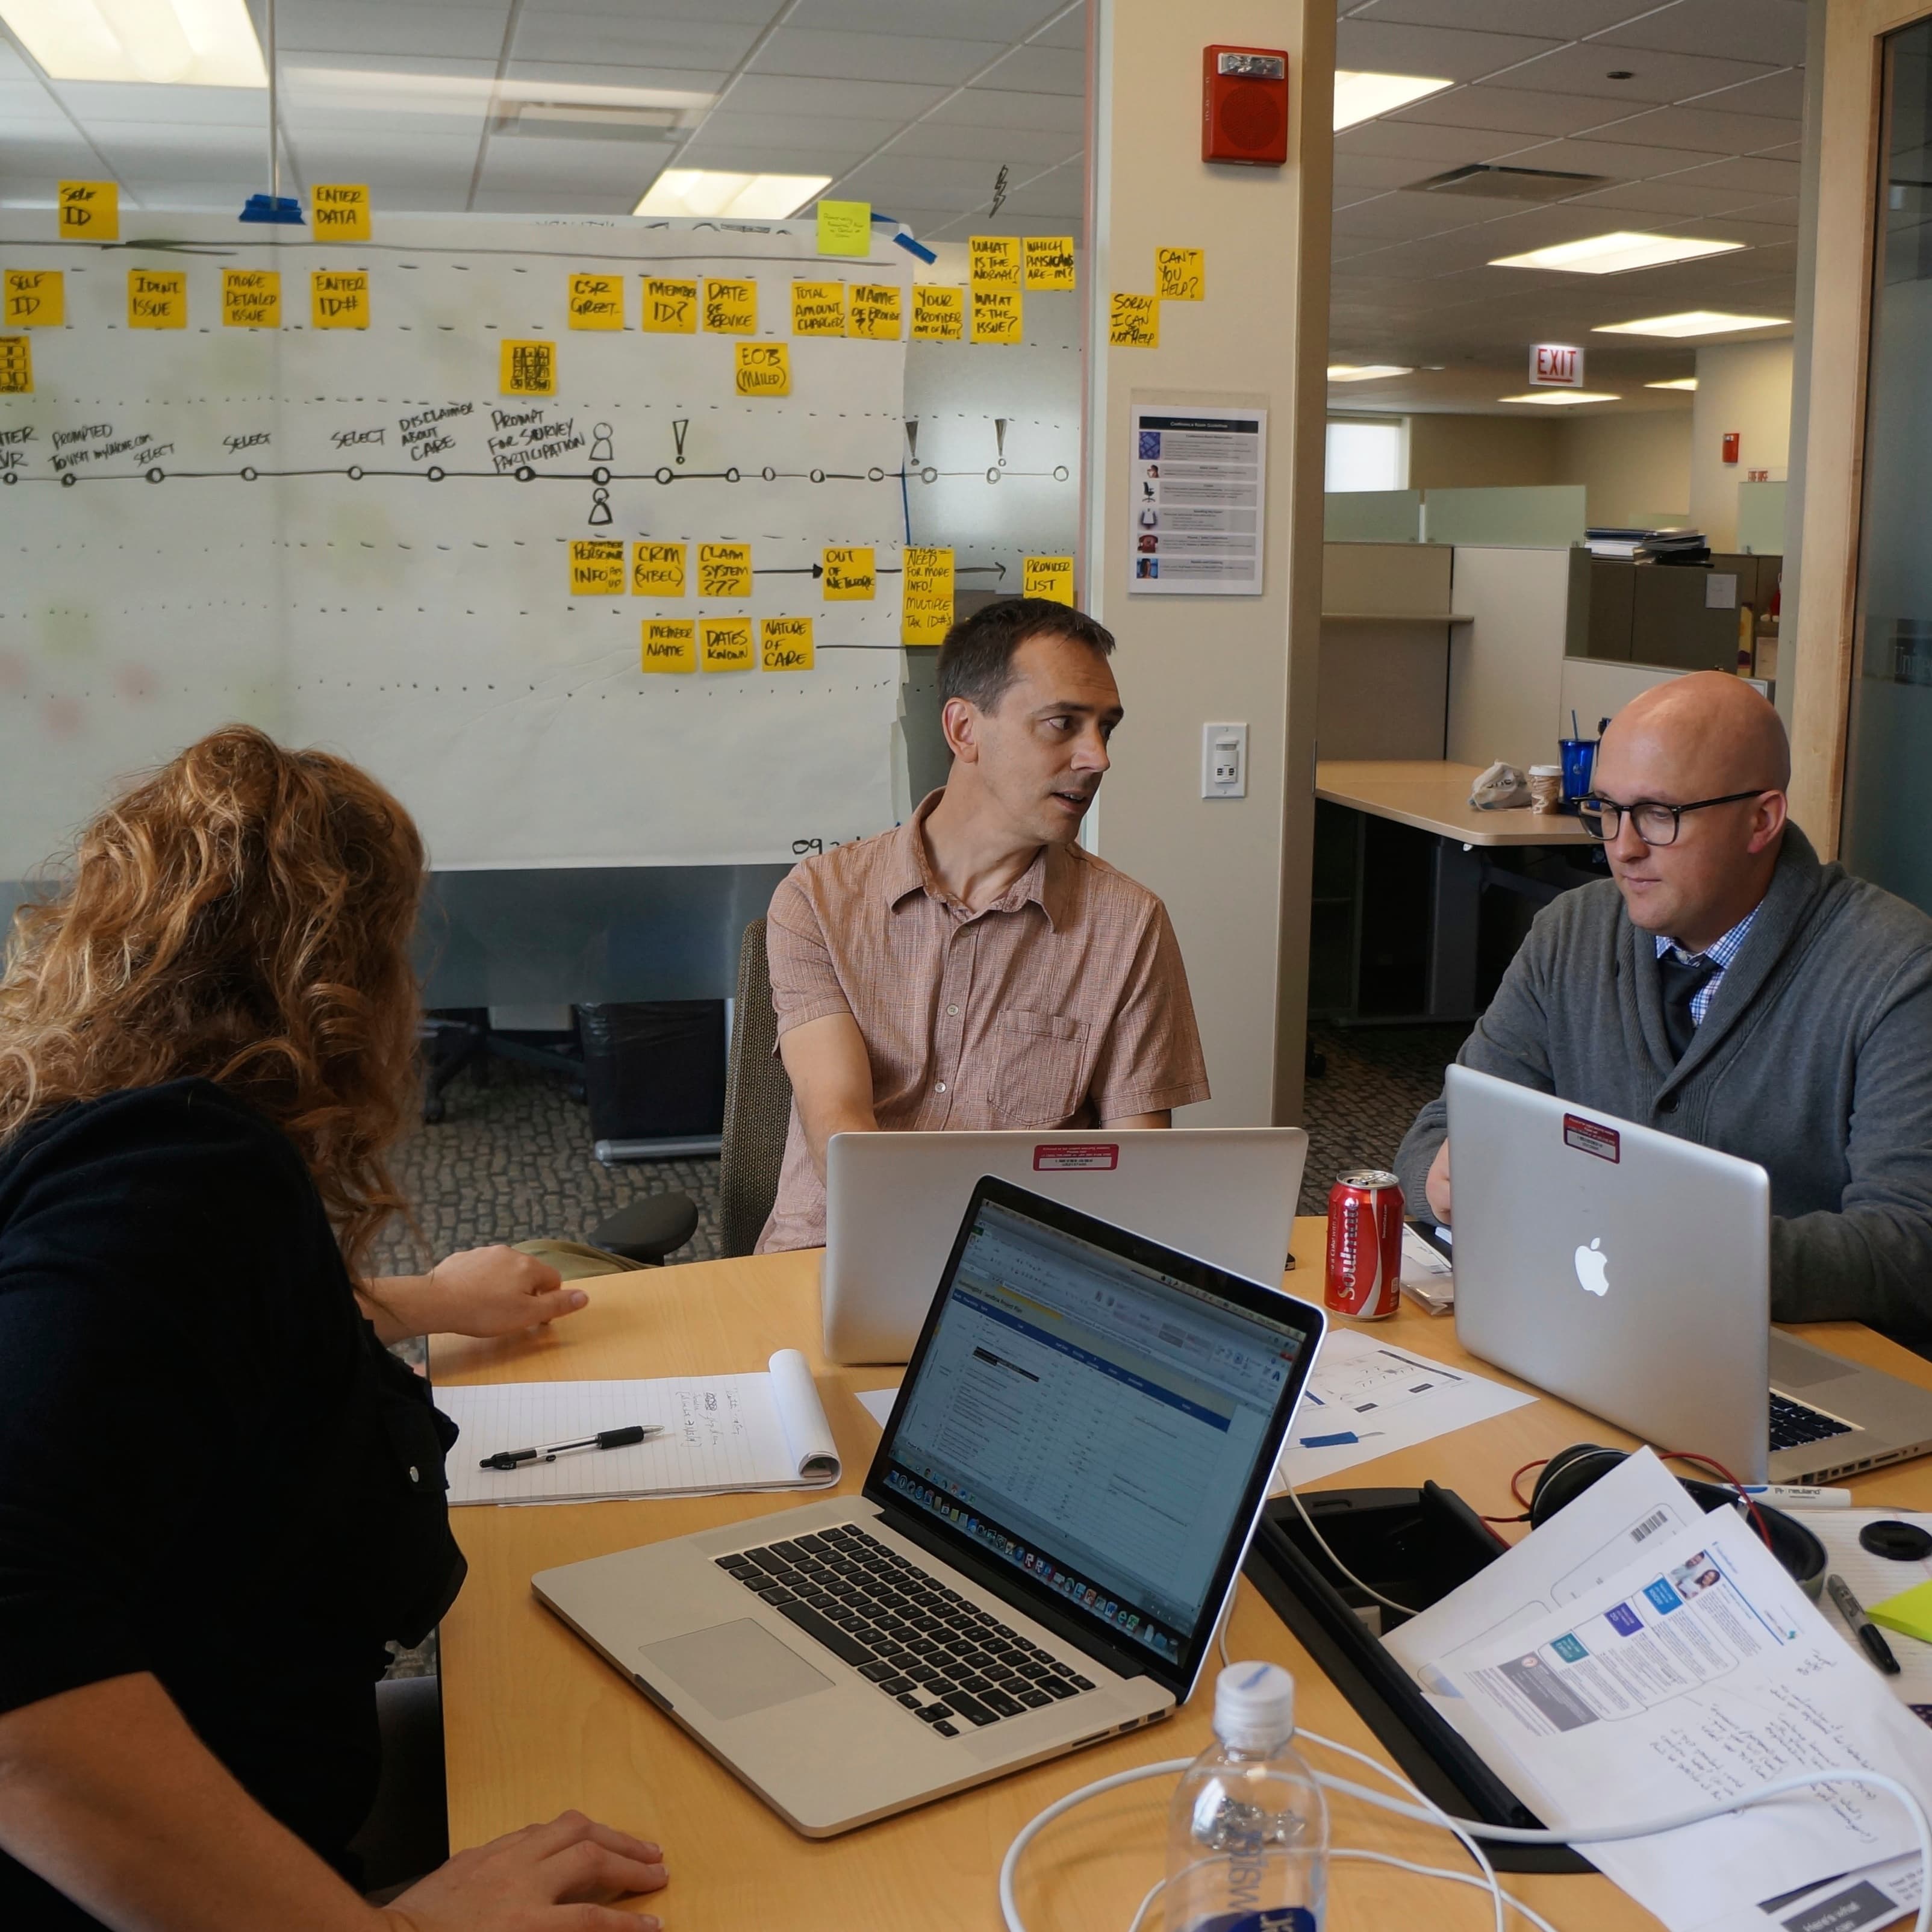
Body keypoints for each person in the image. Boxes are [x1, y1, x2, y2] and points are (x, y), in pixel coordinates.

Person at [0, 727, 667, 1931]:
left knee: (605, 1715)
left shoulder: (88, 1128)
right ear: (342, 974)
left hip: (235, 1774)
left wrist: (412, 1303)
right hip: (135, 1867)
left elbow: (155, 1348)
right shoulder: (185, 1176)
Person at [1394, 672, 1932, 1344]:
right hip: (1591, 1326)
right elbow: (1437, 1132)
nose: (1622, 847)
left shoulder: (1896, 971)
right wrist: (1443, 1178)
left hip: (1787, 1352)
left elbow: (1912, 1248)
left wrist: (1668, 1245)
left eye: (1659, 814)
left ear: (1760, 820)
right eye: (1608, 810)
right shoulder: (1572, 932)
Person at [758, 598, 1210, 1252]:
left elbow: (1137, 1170)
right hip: (835, 1249)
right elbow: (840, 1128)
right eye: (1062, 724)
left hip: (1019, 1279)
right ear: (964, 730)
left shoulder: (1127, 923)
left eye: (1105, 728)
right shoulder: (821, 899)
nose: (1097, 758)